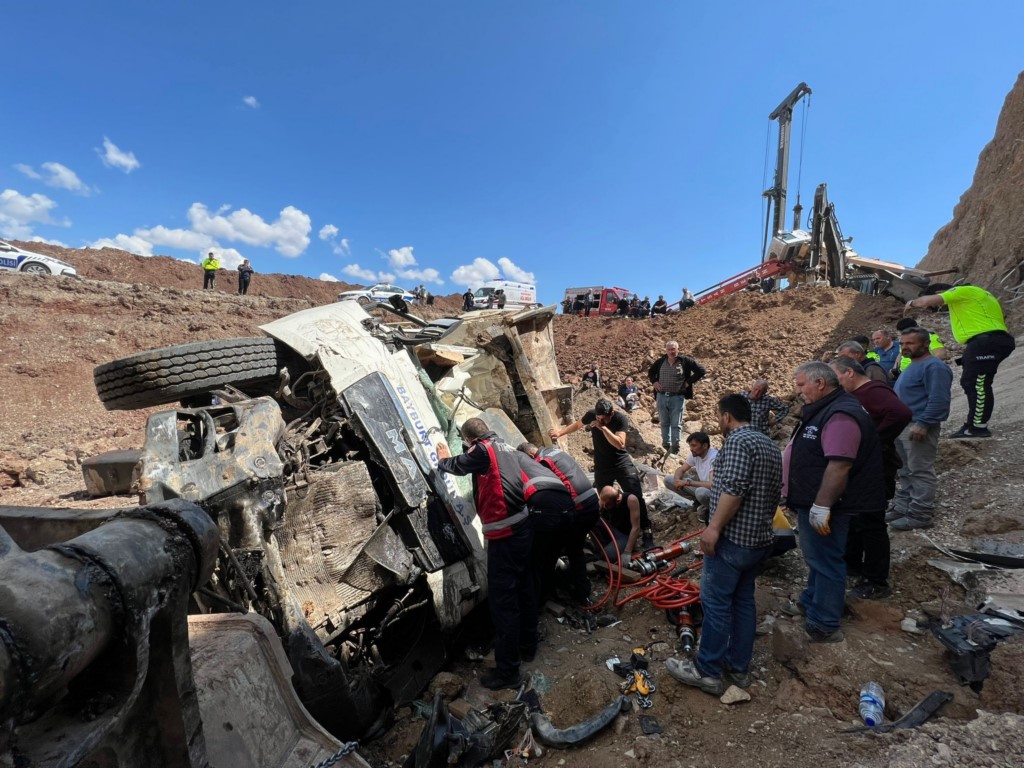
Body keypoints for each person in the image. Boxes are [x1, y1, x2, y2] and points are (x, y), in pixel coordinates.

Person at [664, 394, 782, 696]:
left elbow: (733, 490)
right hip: (759, 540)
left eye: (719, 417)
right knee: (742, 602)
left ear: (727, 417)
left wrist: (713, 528)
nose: (719, 422)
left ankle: (707, 671)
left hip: (734, 540)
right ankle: (738, 668)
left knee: (716, 605)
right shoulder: (767, 444)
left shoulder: (738, 443)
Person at [435, 418, 565, 689]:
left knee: (503, 602)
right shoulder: (504, 446)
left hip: (504, 538)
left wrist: (443, 460)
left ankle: (507, 671)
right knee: (525, 588)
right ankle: (528, 646)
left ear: (470, 439)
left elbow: (460, 465)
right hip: (522, 529)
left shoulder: (482, 449)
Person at [784, 362, 884, 643]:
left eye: (802, 385)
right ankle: (810, 601)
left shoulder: (840, 414)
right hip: (815, 499)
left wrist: (822, 505)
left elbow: (839, 465)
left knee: (826, 559)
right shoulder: (828, 409)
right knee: (817, 557)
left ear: (820, 383)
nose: (798, 390)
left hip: (829, 504)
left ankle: (824, 623)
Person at [831, 357, 913, 599]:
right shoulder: (860, 394)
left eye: (836, 377)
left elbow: (900, 413)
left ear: (849, 373)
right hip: (862, 470)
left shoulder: (873, 391)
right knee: (855, 520)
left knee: (871, 524)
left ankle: (877, 580)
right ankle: (853, 565)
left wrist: (874, 441)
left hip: (875, 472)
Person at [906, 285, 1015, 438]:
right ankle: (974, 425)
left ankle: (977, 427)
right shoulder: (980, 294)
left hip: (985, 341)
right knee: (972, 382)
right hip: (991, 340)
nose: (941, 305)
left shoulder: (963, 291)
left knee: (977, 383)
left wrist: (911, 303)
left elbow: (925, 301)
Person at [550, 398, 654, 550]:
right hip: (602, 465)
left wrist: (603, 428)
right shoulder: (592, 414)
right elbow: (578, 424)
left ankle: (646, 531)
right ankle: (610, 533)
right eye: (598, 418)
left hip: (621, 463)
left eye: (604, 418)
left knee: (636, 495)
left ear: (611, 414)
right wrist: (560, 433)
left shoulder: (619, 419)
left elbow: (620, 443)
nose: (600, 420)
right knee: (604, 500)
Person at [887, 328, 953, 531]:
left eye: (910, 343)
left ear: (925, 344)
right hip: (903, 426)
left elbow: (939, 400)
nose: (905, 347)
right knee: (905, 470)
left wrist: (924, 423)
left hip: (918, 426)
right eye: (903, 343)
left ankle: (920, 514)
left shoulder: (934, 367)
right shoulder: (912, 365)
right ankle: (903, 506)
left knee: (920, 470)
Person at [518, 442, 600, 605]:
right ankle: (579, 590)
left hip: (578, 508)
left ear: (530, 456)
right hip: (591, 502)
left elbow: (551, 491)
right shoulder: (556, 452)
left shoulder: (542, 462)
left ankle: (567, 592)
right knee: (574, 548)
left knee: (559, 551)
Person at [647, 341, 705, 454]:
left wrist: (688, 382)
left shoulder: (685, 361)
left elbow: (701, 371)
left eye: (673, 349)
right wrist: (654, 382)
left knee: (676, 424)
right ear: (666, 350)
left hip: (677, 397)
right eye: (669, 349)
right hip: (662, 396)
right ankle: (665, 445)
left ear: (678, 349)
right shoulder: (660, 361)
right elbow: (651, 372)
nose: (671, 351)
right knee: (664, 422)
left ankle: (675, 448)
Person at [667, 431, 718, 524]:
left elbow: (712, 484)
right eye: (690, 446)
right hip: (703, 487)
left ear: (705, 446)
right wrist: (677, 480)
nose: (691, 449)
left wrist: (687, 482)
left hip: (716, 493)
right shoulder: (695, 455)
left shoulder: (714, 458)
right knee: (668, 480)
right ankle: (699, 502)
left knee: (701, 492)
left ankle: (710, 509)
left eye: (694, 446)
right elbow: (681, 469)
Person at [596, 485, 641, 559]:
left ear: (617, 501)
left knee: (607, 556)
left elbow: (636, 527)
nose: (604, 506)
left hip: (625, 535)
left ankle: (627, 547)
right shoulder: (605, 501)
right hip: (612, 530)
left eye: (607, 505)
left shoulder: (630, 500)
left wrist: (627, 552)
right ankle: (600, 548)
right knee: (594, 520)